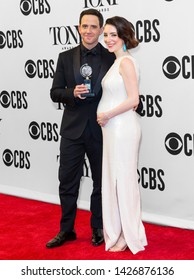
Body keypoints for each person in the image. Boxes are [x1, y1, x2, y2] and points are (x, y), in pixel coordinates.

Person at [46, 9, 115, 248]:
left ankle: (97, 227)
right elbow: (54, 92)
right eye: (84, 26)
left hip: (101, 129)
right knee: (67, 181)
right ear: (78, 28)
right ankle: (66, 229)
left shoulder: (111, 58)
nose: (88, 31)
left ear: (101, 29)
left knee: (100, 182)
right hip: (72, 131)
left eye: (94, 27)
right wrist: (71, 93)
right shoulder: (65, 57)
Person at [97, 16, 147, 254]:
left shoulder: (125, 62)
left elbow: (133, 100)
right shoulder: (116, 62)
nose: (107, 39)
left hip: (122, 129)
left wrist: (107, 114)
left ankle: (129, 235)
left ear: (124, 37)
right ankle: (118, 232)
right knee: (115, 182)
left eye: (112, 35)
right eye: (105, 34)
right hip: (113, 130)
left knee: (124, 182)